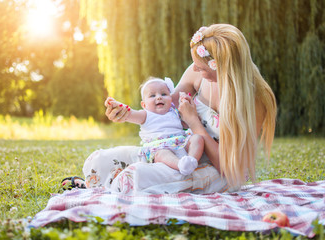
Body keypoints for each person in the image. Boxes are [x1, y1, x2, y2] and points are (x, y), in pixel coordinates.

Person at [80, 23, 277, 195]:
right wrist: (126, 113)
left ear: (223, 66)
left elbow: (230, 168)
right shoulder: (197, 72)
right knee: (99, 161)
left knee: (136, 176)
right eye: (195, 65)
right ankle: (110, 186)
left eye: (202, 68)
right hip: (177, 151)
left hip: (214, 170)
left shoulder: (256, 100)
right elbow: (162, 109)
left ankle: (120, 187)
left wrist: (193, 122)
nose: (195, 70)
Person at [104, 77, 204, 176]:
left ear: (171, 99)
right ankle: (180, 165)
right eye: (152, 95)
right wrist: (118, 106)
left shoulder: (174, 112)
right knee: (162, 154)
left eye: (164, 94)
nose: (159, 97)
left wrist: (190, 108)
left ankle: (191, 160)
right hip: (160, 147)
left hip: (181, 143)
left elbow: (188, 123)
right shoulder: (145, 115)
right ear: (144, 105)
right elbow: (129, 113)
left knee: (197, 138)